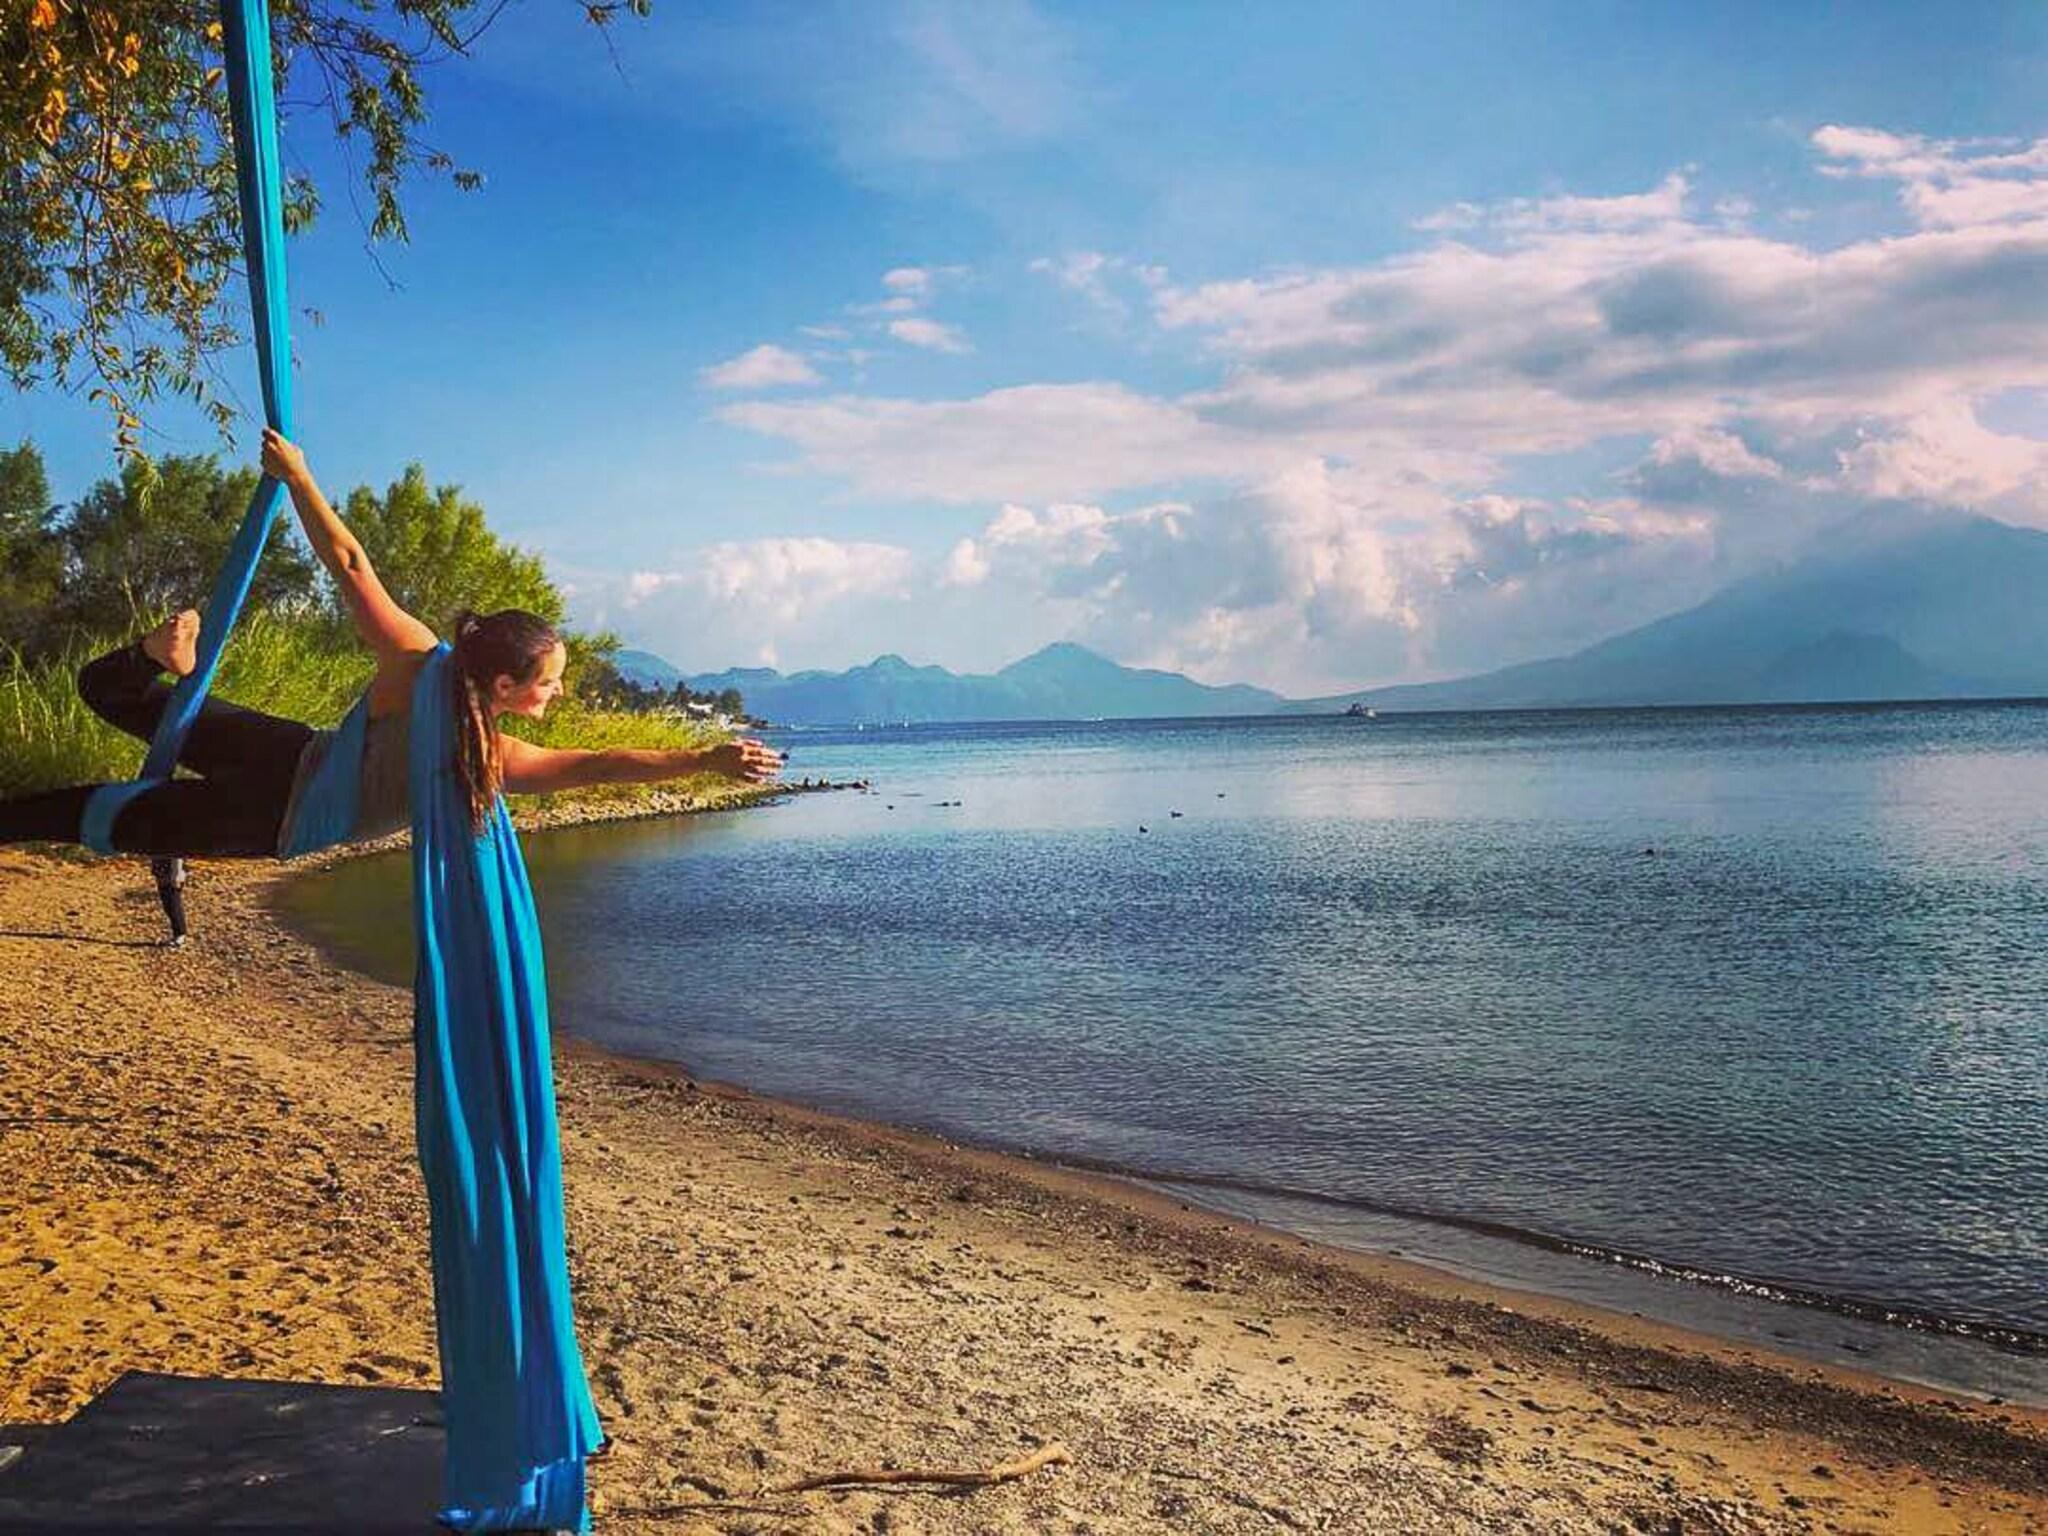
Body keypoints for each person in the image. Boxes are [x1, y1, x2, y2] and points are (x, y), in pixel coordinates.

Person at [0, 429, 783, 858]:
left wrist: (706, 761)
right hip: (278, 802)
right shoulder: (471, 736)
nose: (561, 694)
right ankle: (155, 659)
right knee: (73, 797)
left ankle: (155, 662)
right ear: (504, 688)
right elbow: (347, 566)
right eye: (552, 682)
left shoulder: (435, 683)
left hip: (291, 772)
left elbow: (352, 566)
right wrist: (296, 480)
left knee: (80, 775)